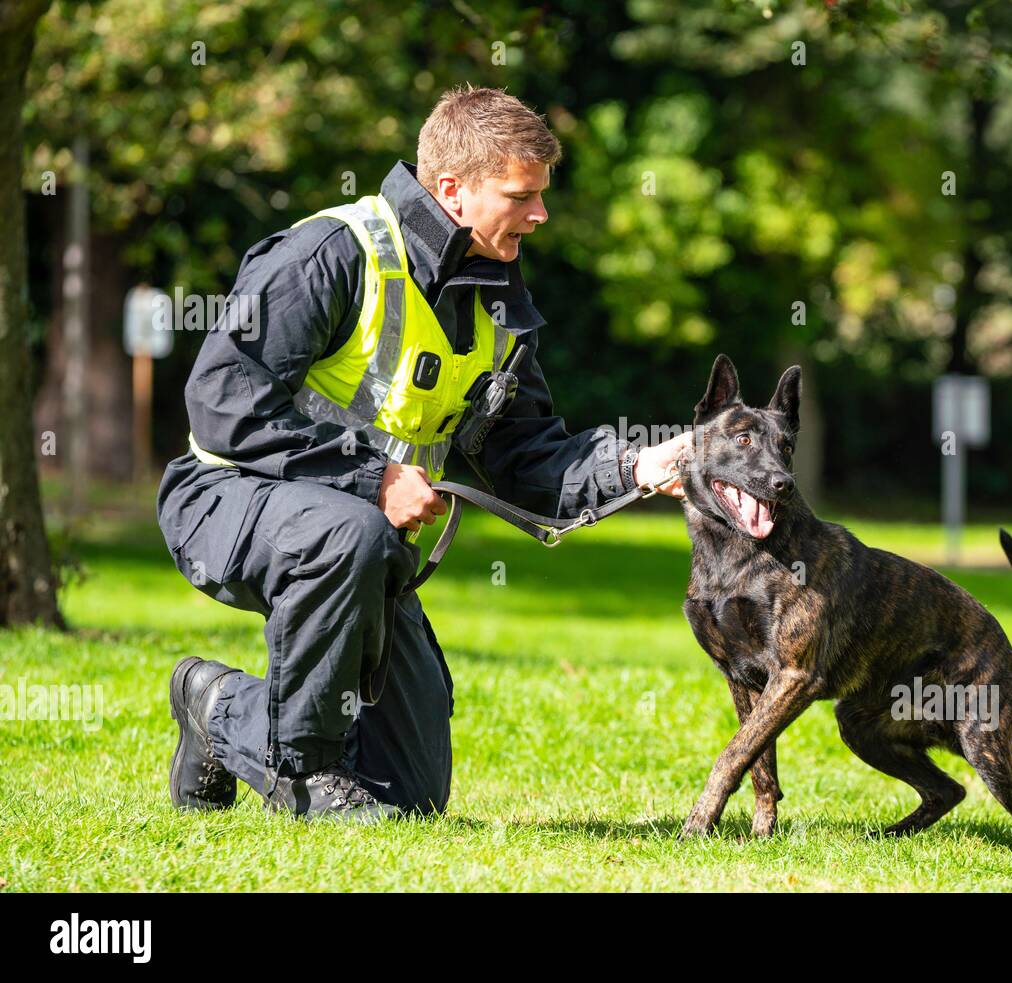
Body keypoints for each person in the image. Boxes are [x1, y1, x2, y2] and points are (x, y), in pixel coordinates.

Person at [158, 83, 690, 821]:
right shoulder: (329, 254)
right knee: (354, 533)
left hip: (359, 544)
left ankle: (216, 708)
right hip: (221, 502)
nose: (539, 214)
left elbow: (531, 458)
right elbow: (221, 401)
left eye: (541, 195)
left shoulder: (499, 304)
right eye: (520, 195)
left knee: (409, 797)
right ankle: (304, 772)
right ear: (453, 190)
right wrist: (374, 481)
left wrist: (640, 465)